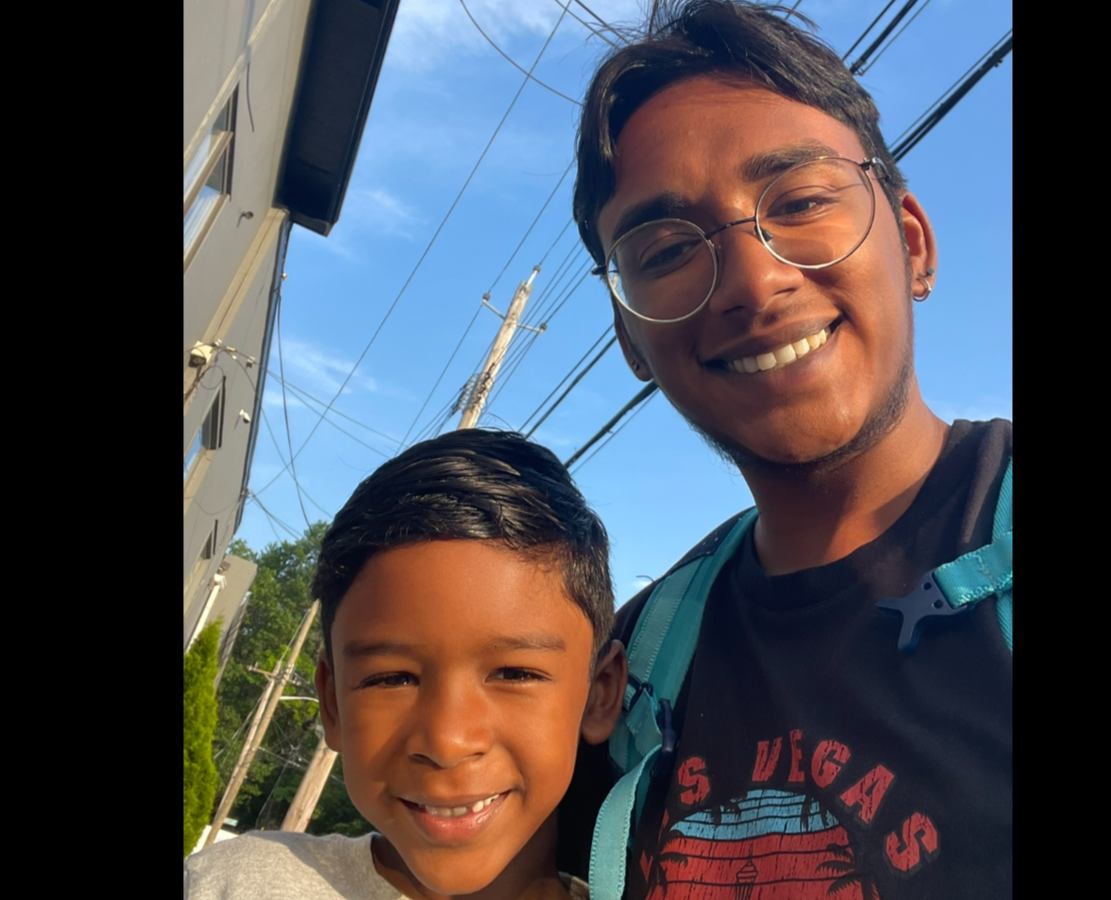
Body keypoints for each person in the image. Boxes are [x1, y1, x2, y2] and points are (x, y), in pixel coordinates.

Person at [561, 2, 1012, 897]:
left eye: (801, 201)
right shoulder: (634, 670)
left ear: (912, 244)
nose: (755, 281)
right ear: (630, 342)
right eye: (666, 250)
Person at [185, 430, 629, 900]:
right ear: (332, 704)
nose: (447, 741)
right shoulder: (234, 885)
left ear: (598, 694)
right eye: (392, 679)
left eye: (514, 674)